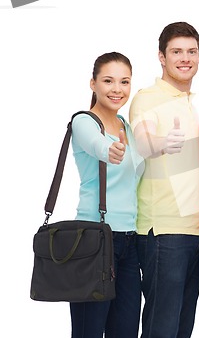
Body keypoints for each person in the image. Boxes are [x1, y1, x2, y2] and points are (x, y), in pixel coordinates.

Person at [129, 22, 199, 338]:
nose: (184, 58)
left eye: (191, 51)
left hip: (195, 230)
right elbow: (142, 141)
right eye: (176, 51)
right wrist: (161, 144)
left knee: (181, 330)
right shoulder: (147, 98)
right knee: (161, 329)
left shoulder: (191, 104)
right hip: (162, 231)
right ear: (162, 57)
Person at [70, 51, 144, 338]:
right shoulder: (84, 122)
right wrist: (110, 150)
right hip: (94, 239)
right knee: (88, 331)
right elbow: (97, 145)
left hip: (129, 240)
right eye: (108, 81)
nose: (117, 89)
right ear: (93, 84)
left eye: (124, 82)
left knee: (125, 330)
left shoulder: (126, 125)